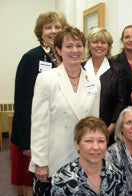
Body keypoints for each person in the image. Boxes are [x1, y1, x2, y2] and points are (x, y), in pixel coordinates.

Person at [29, 26, 101, 195]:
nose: (74, 50)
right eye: (69, 46)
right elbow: (39, 124)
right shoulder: (46, 79)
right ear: (59, 50)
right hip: (54, 158)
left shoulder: (94, 81)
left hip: (84, 158)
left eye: (79, 45)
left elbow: (94, 123)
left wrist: (95, 156)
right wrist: (40, 162)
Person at [10, 11, 68, 195]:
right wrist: (26, 142)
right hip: (36, 133)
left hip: (59, 132)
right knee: (37, 181)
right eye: (48, 27)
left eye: (57, 27)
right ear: (40, 32)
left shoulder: (66, 56)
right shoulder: (31, 57)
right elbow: (23, 101)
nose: (53, 31)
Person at [51, 116, 125, 195]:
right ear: (77, 144)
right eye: (89, 141)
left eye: (101, 141)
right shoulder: (62, 179)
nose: (96, 147)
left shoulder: (117, 174)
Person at [84, 27, 129, 146]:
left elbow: (122, 101)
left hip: (107, 130)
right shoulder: (79, 68)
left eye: (103, 42)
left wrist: (110, 128)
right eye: (95, 42)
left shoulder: (117, 70)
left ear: (108, 46)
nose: (99, 45)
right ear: (89, 45)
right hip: (81, 128)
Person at [111, 25, 132, 104]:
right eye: (127, 37)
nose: (131, 40)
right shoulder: (113, 62)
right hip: (121, 108)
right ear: (122, 40)